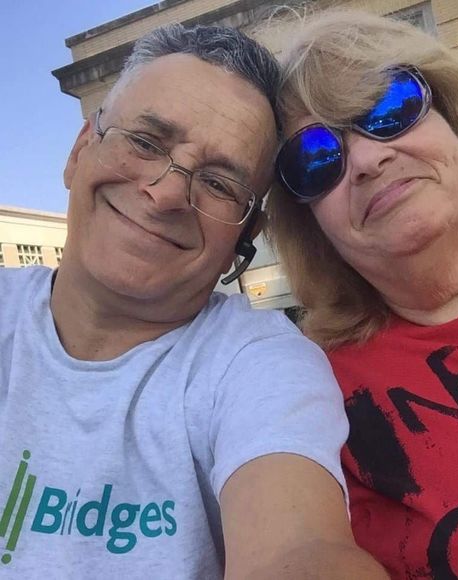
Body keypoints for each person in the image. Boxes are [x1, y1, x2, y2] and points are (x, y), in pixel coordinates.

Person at [0, 22, 389, 580]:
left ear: (243, 240)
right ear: (80, 150)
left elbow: (299, 549)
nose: (165, 194)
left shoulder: (259, 365)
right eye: (144, 141)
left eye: (220, 183)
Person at [267, 8, 458, 579]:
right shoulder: (311, 402)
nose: (366, 159)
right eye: (316, 158)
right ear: (312, 227)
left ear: (457, 119)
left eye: (389, 108)